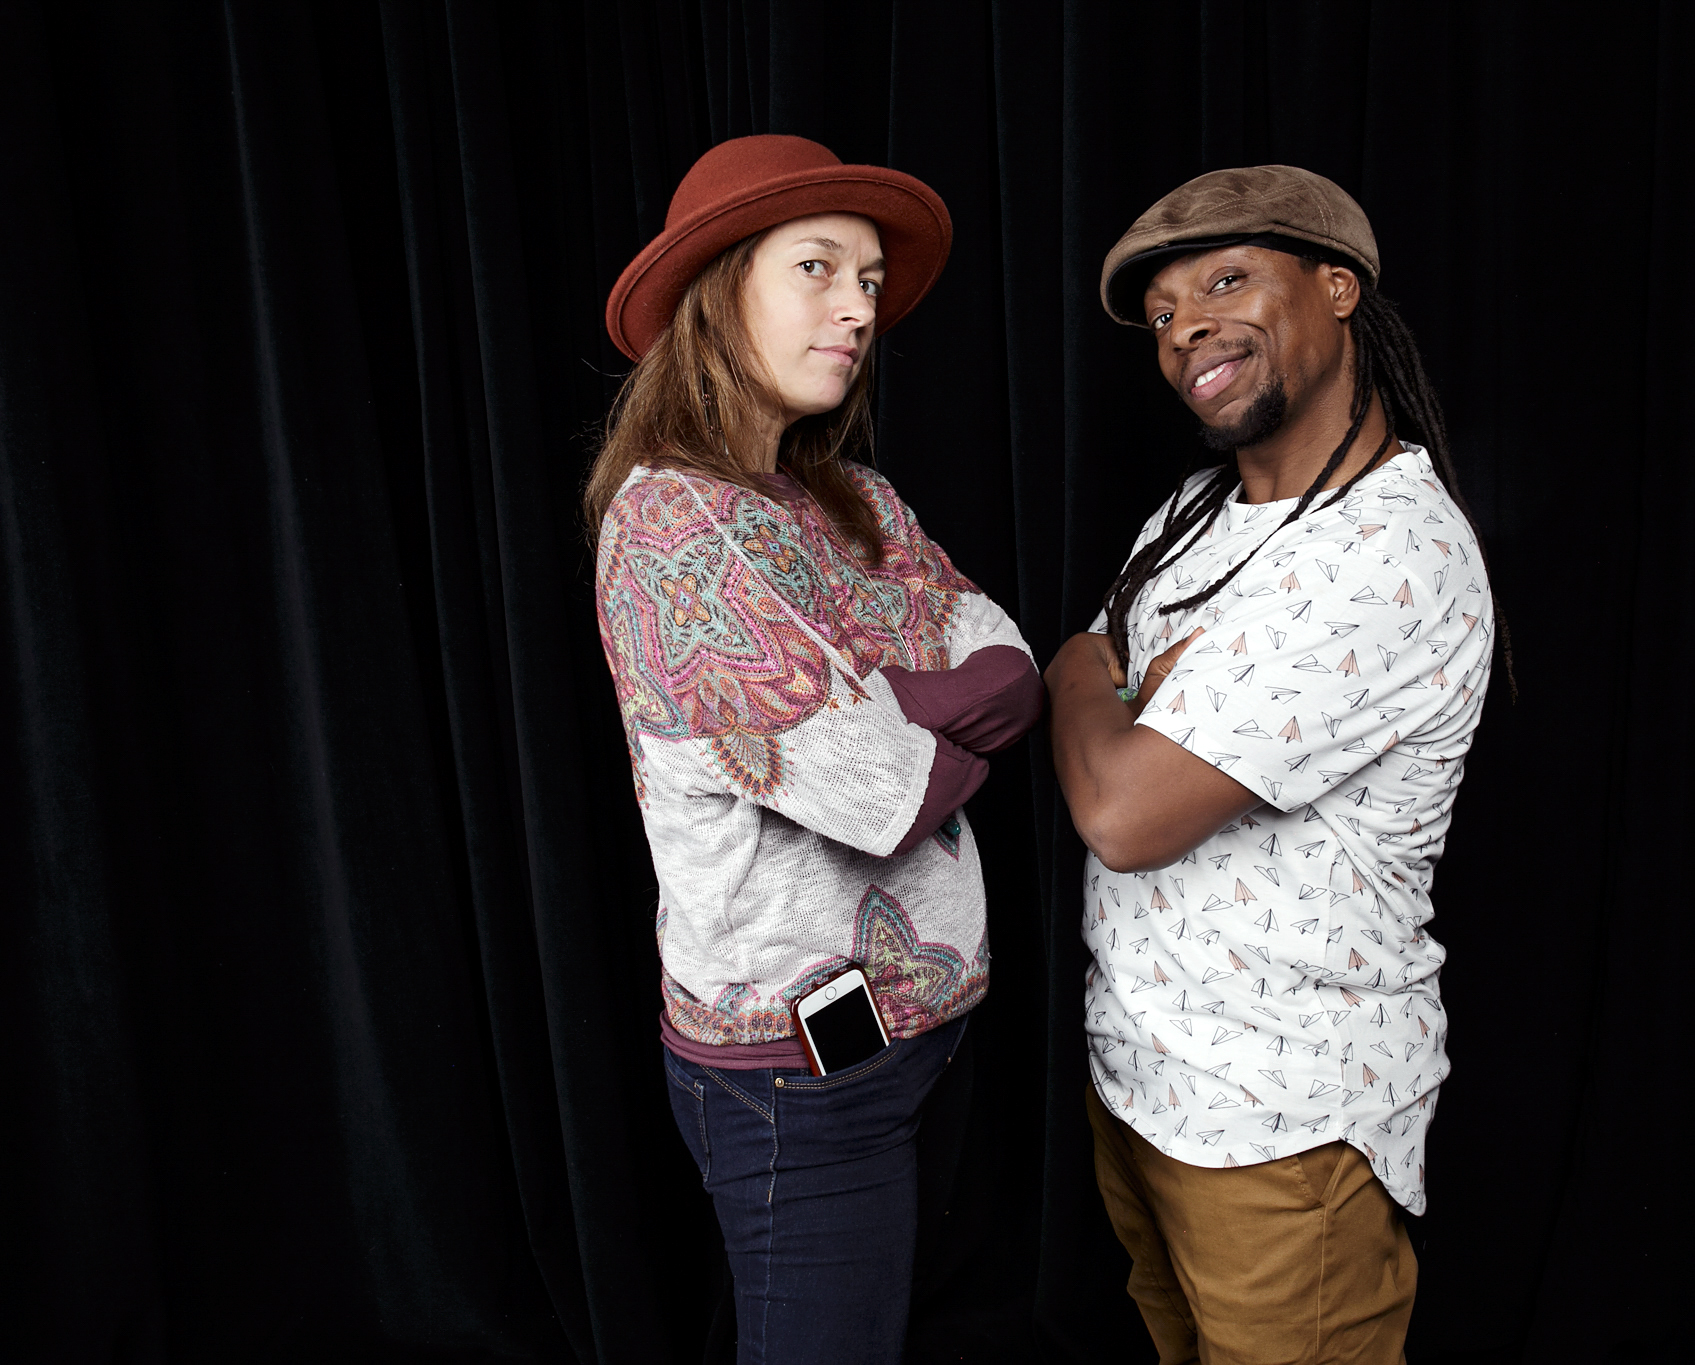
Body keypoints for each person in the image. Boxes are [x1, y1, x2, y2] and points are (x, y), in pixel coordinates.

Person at [587, 134, 1040, 1363]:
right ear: (716, 291)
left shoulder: (859, 500)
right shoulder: (671, 527)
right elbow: (896, 790)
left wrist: (887, 695)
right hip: (798, 1078)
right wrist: (920, 714)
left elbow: (1010, 667)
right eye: (817, 269)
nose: (858, 309)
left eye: (871, 282)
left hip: (929, 1035)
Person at [1046, 166, 1503, 1364]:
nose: (1183, 327)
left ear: (1336, 288)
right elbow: (1113, 711)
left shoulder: (1383, 552)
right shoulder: (1189, 514)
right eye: (1162, 313)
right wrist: (1103, 684)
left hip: (1282, 1125)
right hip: (1142, 1085)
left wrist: (1072, 668)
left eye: (1226, 282)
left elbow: (1121, 810)